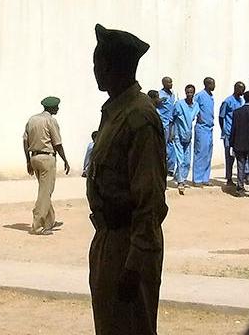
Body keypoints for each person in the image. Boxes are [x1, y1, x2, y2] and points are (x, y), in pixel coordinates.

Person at [87, 24, 167, 335]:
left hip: (130, 244)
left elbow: (150, 197)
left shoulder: (139, 116)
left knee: (132, 327)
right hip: (108, 238)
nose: (96, 70)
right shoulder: (116, 111)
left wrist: (136, 261)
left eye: (100, 64)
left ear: (114, 67)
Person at [23, 96, 70, 235]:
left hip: (34, 158)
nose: (58, 109)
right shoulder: (51, 121)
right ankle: (37, 225)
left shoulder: (32, 120)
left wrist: (28, 161)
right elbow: (57, 144)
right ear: (52, 108)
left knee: (45, 189)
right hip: (47, 158)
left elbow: (25, 142)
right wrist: (65, 160)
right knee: (45, 192)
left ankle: (49, 221)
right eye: (57, 107)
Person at [173, 84, 199, 194]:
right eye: (187, 92)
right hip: (178, 134)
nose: (189, 94)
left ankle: (180, 176)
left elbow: (194, 118)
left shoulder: (196, 105)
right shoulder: (179, 104)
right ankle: (181, 182)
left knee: (187, 161)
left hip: (188, 135)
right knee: (181, 159)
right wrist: (171, 133)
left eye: (191, 92)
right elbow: (172, 118)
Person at [220, 81, 245, 186]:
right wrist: (224, 130)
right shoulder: (227, 101)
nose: (242, 92)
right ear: (236, 89)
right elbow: (221, 117)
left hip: (238, 133)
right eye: (241, 89)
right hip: (229, 133)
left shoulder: (241, 101)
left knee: (238, 156)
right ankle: (229, 178)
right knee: (229, 157)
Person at [192, 77, 215, 186]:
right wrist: (198, 115)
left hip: (210, 128)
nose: (214, 86)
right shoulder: (200, 95)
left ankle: (205, 178)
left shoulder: (211, 96)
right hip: (202, 128)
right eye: (212, 84)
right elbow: (193, 105)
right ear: (207, 84)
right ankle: (197, 179)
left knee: (208, 154)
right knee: (200, 153)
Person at [157, 77, 179, 179]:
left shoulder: (172, 94)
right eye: (169, 82)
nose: (171, 84)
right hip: (163, 123)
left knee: (171, 144)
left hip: (171, 123)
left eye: (171, 82)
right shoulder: (160, 94)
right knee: (162, 145)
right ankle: (161, 168)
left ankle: (170, 168)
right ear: (164, 83)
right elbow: (155, 105)